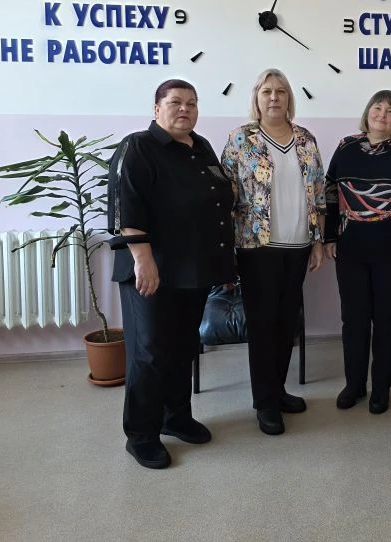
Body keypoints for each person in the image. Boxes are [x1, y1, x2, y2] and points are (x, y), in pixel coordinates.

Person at [108, 78, 236, 470]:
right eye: (176, 102)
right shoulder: (138, 147)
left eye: (192, 103)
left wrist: (221, 262)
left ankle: (175, 417)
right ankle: (141, 435)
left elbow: (216, 203)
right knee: (149, 352)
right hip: (151, 269)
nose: (185, 109)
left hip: (192, 269)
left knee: (183, 347)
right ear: (156, 108)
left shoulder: (201, 147)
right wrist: (143, 259)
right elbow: (125, 206)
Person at [221, 69, 326, 436]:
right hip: (257, 248)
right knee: (263, 326)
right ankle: (264, 403)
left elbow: (318, 193)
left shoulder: (306, 139)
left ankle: (278, 390)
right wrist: (227, 250)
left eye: (281, 91)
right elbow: (226, 198)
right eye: (267, 91)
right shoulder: (241, 139)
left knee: (285, 324)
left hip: (298, 246)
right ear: (257, 97)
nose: (274, 97)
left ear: (289, 98)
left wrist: (317, 241)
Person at [324, 90, 391, 414]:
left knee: (387, 320)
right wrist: (329, 237)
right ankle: (354, 385)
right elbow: (330, 192)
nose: (383, 114)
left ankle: (381, 389)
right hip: (350, 248)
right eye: (378, 108)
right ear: (368, 112)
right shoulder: (346, 146)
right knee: (353, 320)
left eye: (390, 110)